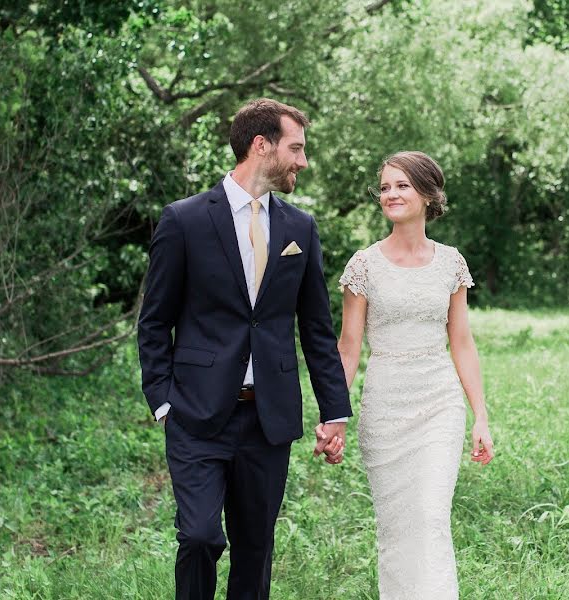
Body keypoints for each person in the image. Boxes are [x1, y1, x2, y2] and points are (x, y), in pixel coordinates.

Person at [137, 98, 351, 600]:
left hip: (267, 418)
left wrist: (335, 410)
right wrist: (163, 400)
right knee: (199, 536)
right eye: (295, 148)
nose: (302, 161)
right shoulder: (184, 220)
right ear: (262, 145)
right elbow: (155, 322)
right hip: (195, 413)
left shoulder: (300, 228)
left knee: (255, 550)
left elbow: (316, 328)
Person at [337, 151, 495, 599]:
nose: (390, 194)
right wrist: (335, 415)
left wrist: (479, 415)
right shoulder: (363, 265)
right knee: (396, 529)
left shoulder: (450, 263)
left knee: (430, 519)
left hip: (438, 403)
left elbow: (462, 342)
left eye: (402, 185)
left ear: (428, 194)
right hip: (385, 406)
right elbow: (348, 347)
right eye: (385, 187)